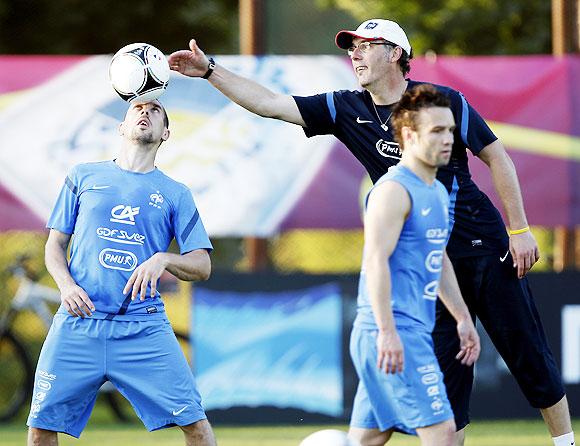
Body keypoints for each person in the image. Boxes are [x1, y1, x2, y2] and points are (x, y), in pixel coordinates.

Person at [168, 18, 574, 446]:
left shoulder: (440, 103)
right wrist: (211, 71)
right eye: (351, 48)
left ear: (395, 53)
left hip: (484, 246)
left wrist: (520, 229)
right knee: (445, 381)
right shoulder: (346, 107)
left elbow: (498, 158)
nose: (354, 55)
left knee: (528, 351)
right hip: (429, 264)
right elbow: (270, 102)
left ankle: (565, 442)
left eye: (365, 46)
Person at [27, 100, 217, 446]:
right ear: (121, 127)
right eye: (138, 108)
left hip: (143, 328)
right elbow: (54, 247)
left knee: (196, 426)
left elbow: (202, 265)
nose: (145, 112)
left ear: (166, 133)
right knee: (41, 428)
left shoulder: (176, 193)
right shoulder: (83, 176)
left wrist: (164, 259)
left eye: (156, 110)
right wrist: (66, 286)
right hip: (78, 322)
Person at [350, 84, 480, 446]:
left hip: (404, 330)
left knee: (368, 438)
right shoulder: (394, 191)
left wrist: (462, 317)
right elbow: (375, 262)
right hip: (394, 332)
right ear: (408, 135)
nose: (448, 139)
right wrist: (388, 332)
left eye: (451, 130)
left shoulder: (437, 191)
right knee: (443, 435)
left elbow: (437, 260)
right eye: (437, 131)